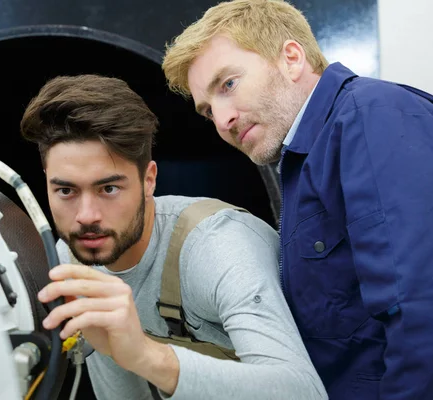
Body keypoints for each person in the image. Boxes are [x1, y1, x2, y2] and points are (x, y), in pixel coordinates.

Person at [161, 0, 433, 399]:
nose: (223, 120)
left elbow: (428, 310)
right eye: (208, 110)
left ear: (291, 58)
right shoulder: (302, 160)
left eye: (228, 84)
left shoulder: (369, 117)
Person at [19, 74, 326, 400]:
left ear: (149, 180)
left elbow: (304, 392)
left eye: (108, 188)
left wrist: (147, 355)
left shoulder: (217, 247)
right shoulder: (74, 257)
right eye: (65, 190)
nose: (86, 216)